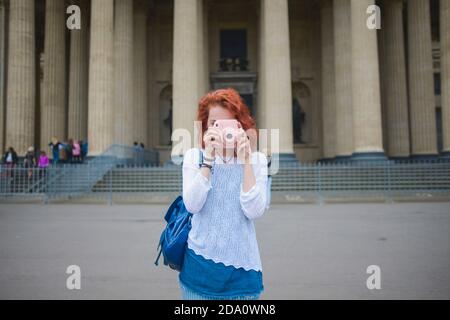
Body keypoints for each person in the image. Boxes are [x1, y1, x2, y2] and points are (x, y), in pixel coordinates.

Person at [178, 88, 268, 300]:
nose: (221, 132)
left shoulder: (257, 161)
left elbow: (254, 210)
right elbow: (192, 205)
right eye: (214, 125)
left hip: (243, 272)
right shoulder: (194, 157)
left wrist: (246, 161)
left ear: (241, 125)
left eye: (229, 125)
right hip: (198, 268)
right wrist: (208, 160)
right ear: (204, 127)